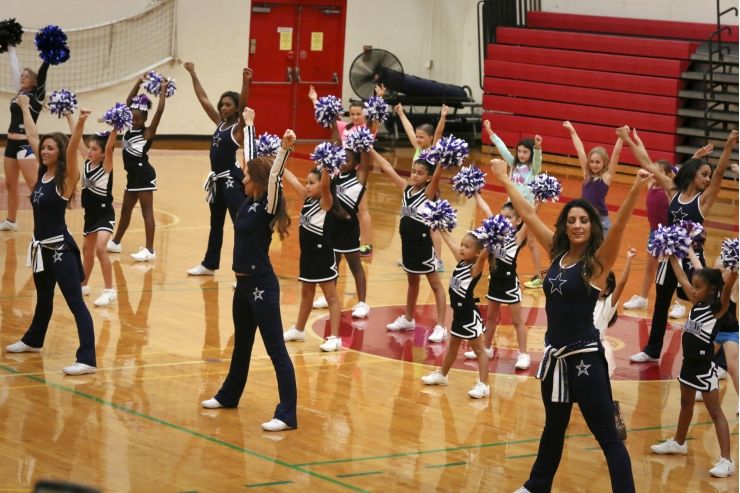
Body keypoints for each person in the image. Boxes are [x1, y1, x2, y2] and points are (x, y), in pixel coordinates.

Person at [490, 155, 647, 493]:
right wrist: (504, 179)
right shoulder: (557, 255)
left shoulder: (597, 264)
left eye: (584, 220)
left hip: (585, 359)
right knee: (554, 426)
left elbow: (618, 227)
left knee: (607, 436)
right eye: (572, 220)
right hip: (556, 359)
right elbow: (529, 215)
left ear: (592, 226)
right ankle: (537, 485)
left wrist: (635, 189)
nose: (577, 225)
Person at [200, 119, 297, 433]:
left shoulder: (267, 208)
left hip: (261, 287)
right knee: (241, 344)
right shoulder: (245, 203)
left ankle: (286, 414)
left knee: (275, 350)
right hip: (242, 286)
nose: (241, 178)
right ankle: (229, 395)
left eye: (246, 175)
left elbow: (273, 177)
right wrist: (252, 126)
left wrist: (283, 150)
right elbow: (250, 158)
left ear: (256, 181)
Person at [625, 127, 738, 363]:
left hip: (692, 259)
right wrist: (627, 139)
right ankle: (652, 350)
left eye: (708, 176)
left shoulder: (703, 200)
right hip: (669, 259)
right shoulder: (673, 191)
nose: (708, 179)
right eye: (703, 174)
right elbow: (648, 163)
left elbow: (719, 174)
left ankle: (717, 353)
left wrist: (728, 147)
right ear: (692, 174)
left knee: (706, 301)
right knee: (661, 303)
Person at [4, 97, 96, 376]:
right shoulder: (43, 174)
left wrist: (79, 122)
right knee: (44, 296)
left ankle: (88, 359)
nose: (43, 151)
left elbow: (72, 152)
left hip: (60, 249)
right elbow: (31, 135)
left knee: (75, 302)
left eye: (50, 148)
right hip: (41, 248)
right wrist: (23, 108)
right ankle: (33, 340)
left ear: (60, 152)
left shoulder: (65, 181)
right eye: (42, 148)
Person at [650, 250, 737, 478]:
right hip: (688, 366)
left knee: (715, 412)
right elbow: (681, 278)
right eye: (694, 286)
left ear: (711, 290)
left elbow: (727, 289)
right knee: (685, 405)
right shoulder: (695, 301)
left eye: (698, 287)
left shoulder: (717, 309)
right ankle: (679, 443)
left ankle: (727, 460)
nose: (693, 289)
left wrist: (735, 270)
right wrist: (670, 255)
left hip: (704, 370)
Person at [371, 148, 448, 343]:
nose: (415, 175)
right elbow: (388, 168)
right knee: (412, 283)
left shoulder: (428, 193)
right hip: (407, 246)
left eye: (420, 173)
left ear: (429, 177)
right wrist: (371, 149)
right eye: (414, 171)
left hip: (423, 246)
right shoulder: (406, 189)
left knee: (436, 285)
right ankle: (408, 318)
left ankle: (441, 326)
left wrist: (441, 162)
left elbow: (438, 177)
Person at [183, 63, 252, 276]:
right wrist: (193, 73)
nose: (223, 108)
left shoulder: (237, 128)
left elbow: (245, 103)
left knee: (239, 225)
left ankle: (244, 269)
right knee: (216, 224)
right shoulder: (219, 123)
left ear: (236, 108)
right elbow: (203, 99)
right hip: (217, 181)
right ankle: (209, 264)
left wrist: (245, 81)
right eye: (222, 104)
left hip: (231, 179)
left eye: (228, 105)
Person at [308, 85, 380, 258]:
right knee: (338, 205)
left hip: (357, 176)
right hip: (340, 174)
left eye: (359, 114)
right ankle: (339, 237)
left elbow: (376, 119)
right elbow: (329, 117)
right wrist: (314, 99)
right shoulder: (344, 128)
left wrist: (378, 98)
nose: (355, 117)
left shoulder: (367, 129)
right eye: (352, 113)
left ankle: (367, 244)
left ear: (365, 114)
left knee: (361, 209)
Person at [106, 77, 170, 262]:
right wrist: (139, 82)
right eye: (132, 118)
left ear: (144, 120)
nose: (134, 121)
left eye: (138, 119)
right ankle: (116, 242)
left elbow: (159, 110)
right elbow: (127, 103)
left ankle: (149, 249)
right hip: (132, 177)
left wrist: (163, 90)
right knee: (125, 210)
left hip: (144, 174)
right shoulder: (128, 129)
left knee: (146, 211)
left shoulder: (146, 133)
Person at [420, 230, 490, 398]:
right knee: (452, 348)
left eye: (467, 246)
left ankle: (484, 385)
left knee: (479, 351)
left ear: (478, 252)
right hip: (458, 315)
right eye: (462, 245)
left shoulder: (474, 268)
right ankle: (443, 375)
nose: (462, 248)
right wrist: (442, 229)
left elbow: (482, 258)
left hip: (468, 316)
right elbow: (452, 244)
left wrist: (491, 242)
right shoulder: (461, 263)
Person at [281, 164, 342, 351]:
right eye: (307, 183)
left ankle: (335, 337)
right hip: (307, 256)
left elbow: (325, 186)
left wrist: (327, 166)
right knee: (306, 293)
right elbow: (290, 177)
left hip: (322, 254)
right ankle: (299, 330)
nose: (307, 186)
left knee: (330, 296)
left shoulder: (326, 202)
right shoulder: (307, 199)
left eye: (311, 183)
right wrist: (276, 156)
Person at [463, 199, 530, 370]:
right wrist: (476, 192)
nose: (505, 220)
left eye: (509, 218)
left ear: (518, 221)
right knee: (491, 319)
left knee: (517, 321)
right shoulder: (494, 234)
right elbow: (486, 208)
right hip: (495, 284)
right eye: (502, 217)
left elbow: (530, 217)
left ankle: (523, 354)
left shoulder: (517, 238)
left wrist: (539, 200)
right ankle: (486, 348)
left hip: (510, 285)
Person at [312, 142, 372, 318]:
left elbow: (366, 164)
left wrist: (364, 141)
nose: (343, 161)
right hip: (332, 225)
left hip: (349, 229)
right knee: (332, 264)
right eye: (341, 158)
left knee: (355, 265)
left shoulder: (358, 178)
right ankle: (329, 296)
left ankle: (362, 303)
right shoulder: (334, 176)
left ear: (355, 164)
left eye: (347, 159)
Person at [483, 120, 544, 288]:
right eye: (520, 151)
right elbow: (502, 149)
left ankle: (539, 276)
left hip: (527, 210)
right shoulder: (513, 164)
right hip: (510, 209)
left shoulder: (534, 169)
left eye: (526, 152)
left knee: (531, 242)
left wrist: (538, 147)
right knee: (501, 238)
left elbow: (538, 160)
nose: (522, 154)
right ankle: (498, 270)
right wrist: (490, 131)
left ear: (531, 154)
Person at [65, 113, 118, 306]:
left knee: (101, 248)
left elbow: (111, 148)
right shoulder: (87, 163)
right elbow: (76, 137)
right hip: (91, 215)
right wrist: (70, 117)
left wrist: (116, 127)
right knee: (87, 251)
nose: (90, 151)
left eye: (94, 149)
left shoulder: (106, 166)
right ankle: (84, 285)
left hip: (105, 214)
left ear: (103, 154)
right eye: (90, 148)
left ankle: (110, 290)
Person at [395, 103, 449, 271]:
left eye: (422, 137)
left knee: (433, 226)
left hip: (429, 194)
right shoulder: (417, 148)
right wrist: (401, 113)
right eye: (417, 137)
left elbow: (439, 132)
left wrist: (443, 117)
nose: (418, 140)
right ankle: (409, 255)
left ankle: (438, 260)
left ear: (431, 138)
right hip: (415, 193)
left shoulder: (433, 150)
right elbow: (410, 130)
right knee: (410, 222)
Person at [1, 48, 48, 231]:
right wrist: (11, 48)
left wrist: (48, 58)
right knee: (11, 184)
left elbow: (43, 74)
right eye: (22, 75)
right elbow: (14, 69)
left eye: (27, 76)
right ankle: (11, 221)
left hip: (24, 145)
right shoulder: (19, 94)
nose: (22, 77)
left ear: (34, 81)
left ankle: (45, 222)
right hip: (10, 144)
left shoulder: (37, 97)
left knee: (33, 186)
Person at [563, 121, 623, 235]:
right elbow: (580, 150)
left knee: (602, 251)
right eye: (591, 162)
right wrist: (573, 131)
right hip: (585, 218)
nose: (594, 164)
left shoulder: (606, 177)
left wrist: (621, 138)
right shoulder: (587, 175)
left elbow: (615, 155)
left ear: (604, 163)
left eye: (597, 162)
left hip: (601, 221)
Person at [594, 248, 635, 376]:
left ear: (607, 290)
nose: (596, 283)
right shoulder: (585, 299)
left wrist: (629, 259)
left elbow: (621, 284)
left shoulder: (607, 304)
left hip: (598, 350)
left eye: (601, 282)